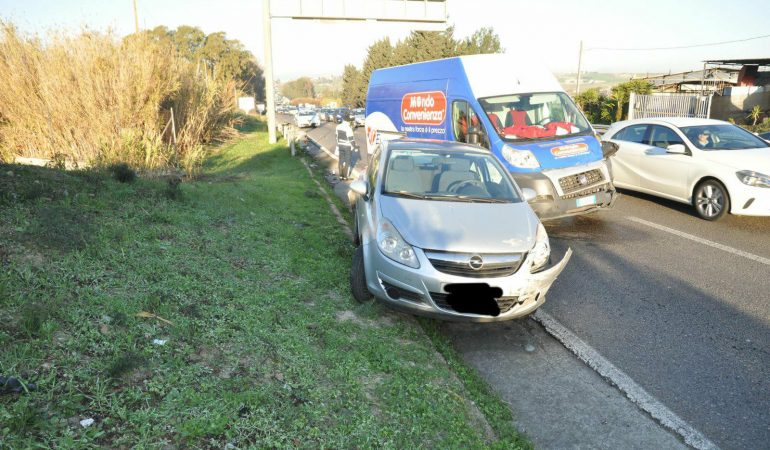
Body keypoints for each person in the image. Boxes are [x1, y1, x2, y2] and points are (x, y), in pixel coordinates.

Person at [335, 115, 356, 179]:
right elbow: (351, 139)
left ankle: (340, 175)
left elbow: (336, 136)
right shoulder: (348, 128)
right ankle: (345, 176)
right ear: (348, 121)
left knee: (341, 160)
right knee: (347, 161)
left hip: (340, 145)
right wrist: (354, 146)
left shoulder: (338, 126)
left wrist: (338, 144)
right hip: (347, 146)